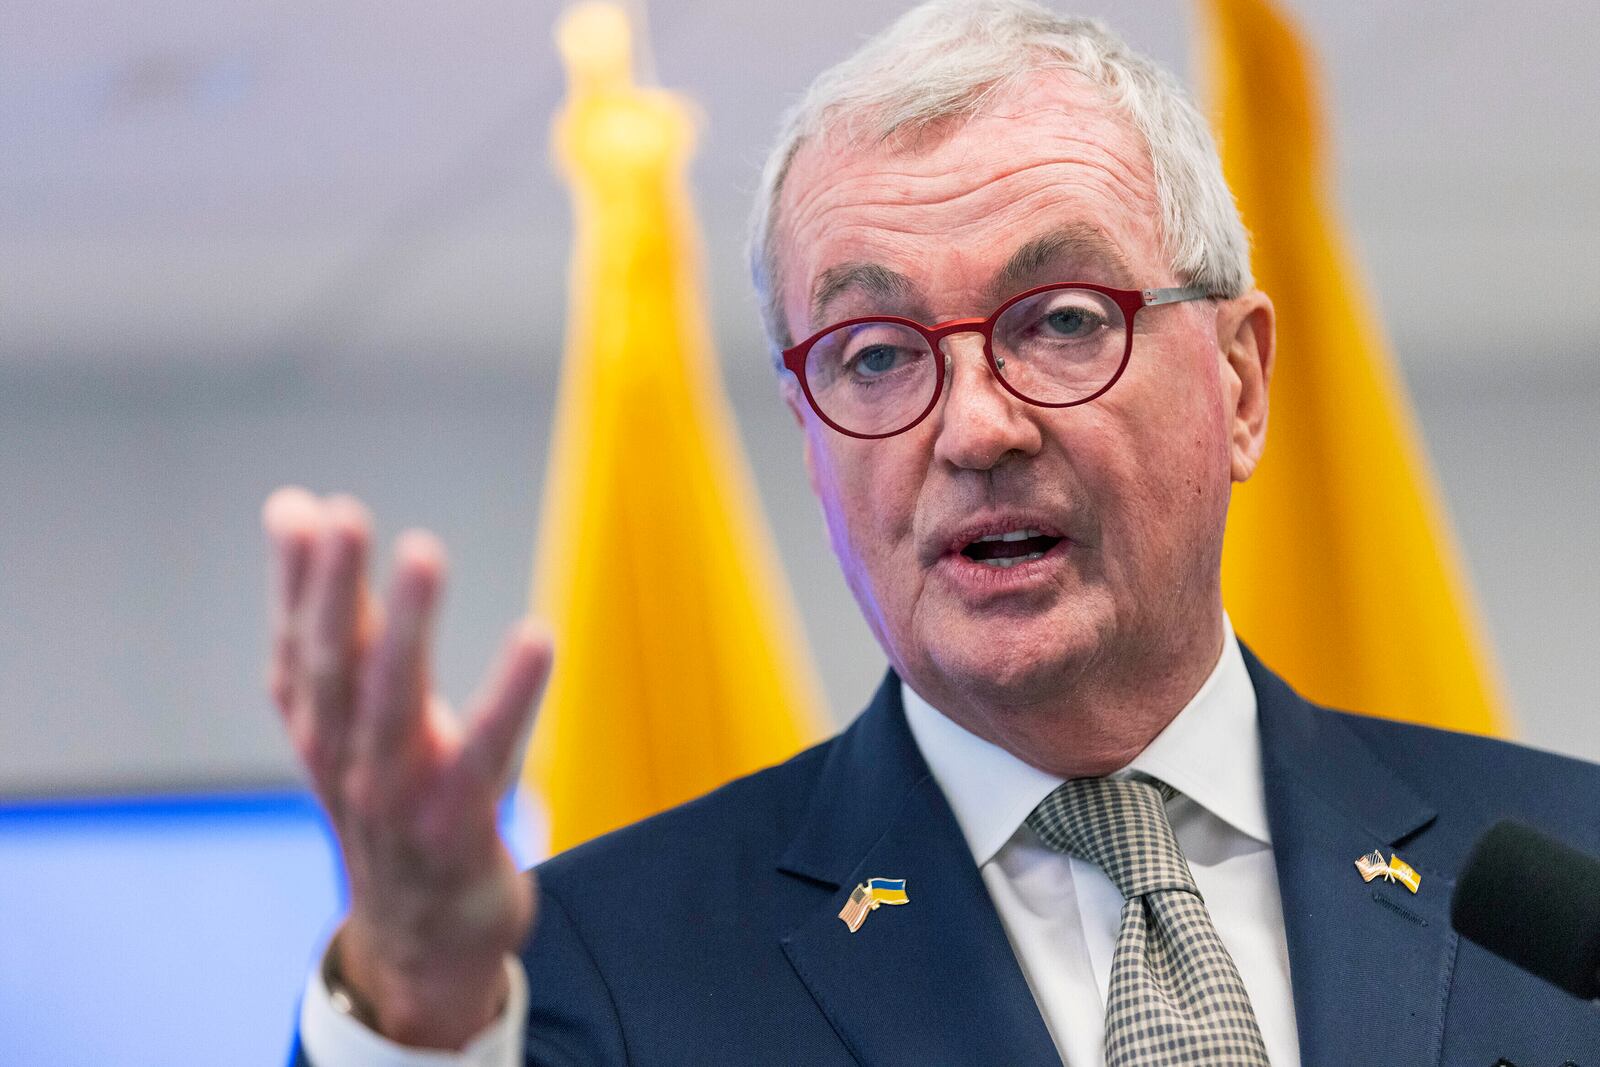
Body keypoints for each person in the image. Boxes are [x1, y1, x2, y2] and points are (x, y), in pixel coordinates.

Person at [263, 2, 1600, 1064]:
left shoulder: (1570, 889)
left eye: (1062, 320)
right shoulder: (603, 976)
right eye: (875, 353)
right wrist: (413, 1009)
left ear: (1240, 385)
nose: (974, 429)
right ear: (809, 435)